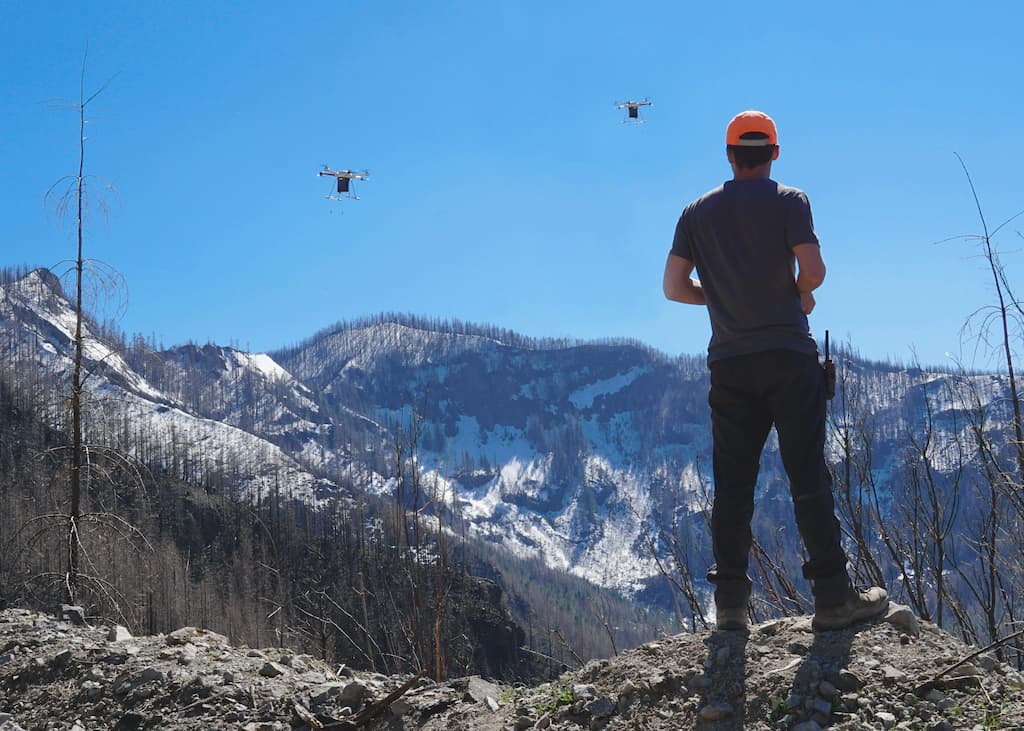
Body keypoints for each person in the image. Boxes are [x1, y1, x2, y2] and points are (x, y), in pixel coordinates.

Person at [662, 110, 888, 632]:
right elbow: (814, 271)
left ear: (729, 155)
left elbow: (673, 288)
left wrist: (719, 298)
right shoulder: (790, 201)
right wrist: (798, 295)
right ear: (775, 154)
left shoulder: (695, 213)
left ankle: (731, 610)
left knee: (733, 483)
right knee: (806, 472)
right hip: (788, 356)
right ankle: (833, 598)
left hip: (730, 364)